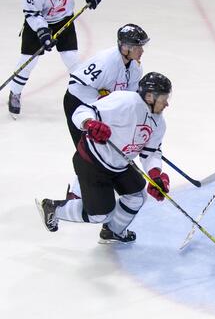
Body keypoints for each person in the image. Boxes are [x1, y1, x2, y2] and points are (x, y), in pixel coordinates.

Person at [35, 72, 172, 244]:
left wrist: (155, 176)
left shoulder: (159, 123)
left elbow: (151, 153)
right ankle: (53, 207)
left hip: (119, 165)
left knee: (137, 196)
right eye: (164, 98)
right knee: (100, 214)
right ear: (150, 96)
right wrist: (90, 123)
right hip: (92, 162)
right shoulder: (124, 101)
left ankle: (113, 231)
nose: (167, 103)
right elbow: (82, 111)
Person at [63, 23, 149, 199]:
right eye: (138, 46)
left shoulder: (135, 68)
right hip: (80, 106)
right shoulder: (105, 62)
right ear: (125, 47)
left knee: (101, 151)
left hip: (103, 111)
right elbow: (76, 84)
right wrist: (98, 101)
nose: (142, 50)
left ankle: (79, 190)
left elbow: (130, 97)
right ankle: (75, 194)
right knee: (88, 150)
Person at [8, 0, 103, 117]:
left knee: (71, 58)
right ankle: (15, 92)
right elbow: (32, 13)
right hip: (38, 23)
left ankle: (85, 93)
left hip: (64, 18)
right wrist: (42, 31)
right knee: (28, 61)